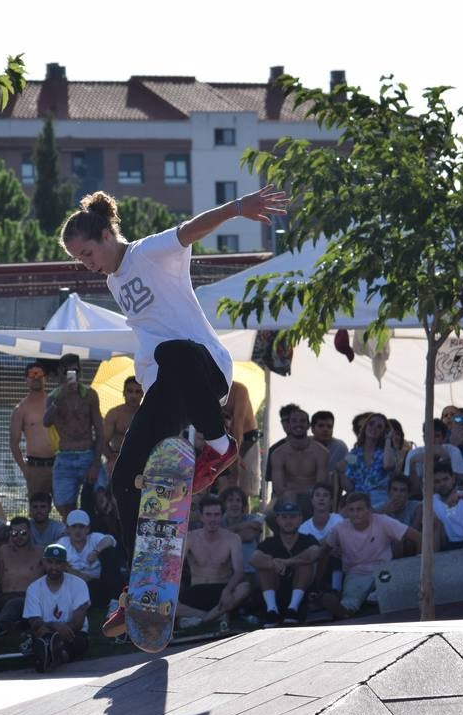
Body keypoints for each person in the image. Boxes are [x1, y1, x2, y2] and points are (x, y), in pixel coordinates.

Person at [61, 186, 288, 636]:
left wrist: (239, 209)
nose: (87, 264)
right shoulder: (114, 281)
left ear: (107, 235)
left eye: (88, 252)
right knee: (124, 477)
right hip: (165, 392)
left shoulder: (150, 253)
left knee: (175, 351)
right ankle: (139, 588)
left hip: (204, 373)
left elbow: (191, 229)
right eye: (79, 259)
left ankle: (222, 445)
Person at [320, 492, 418, 619]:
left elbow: (418, 537)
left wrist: (418, 564)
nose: (355, 514)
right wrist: (318, 584)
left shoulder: (383, 521)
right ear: (347, 512)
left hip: (384, 570)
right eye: (352, 510)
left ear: (369, 510)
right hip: (356, 573)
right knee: (349, 603)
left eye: (360, 509)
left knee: (390, 589)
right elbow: (323, 551)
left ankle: (376, 596)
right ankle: (346, 610)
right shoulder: (339, 529)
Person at [43, 352, 104, 517]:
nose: (72, 376)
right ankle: (74, 538)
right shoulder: (53, 397)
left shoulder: (89, 395)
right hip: (65, 457)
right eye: (68, 372)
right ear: (60, 373)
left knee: (101, 499)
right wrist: (61, 396)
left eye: (76, 371)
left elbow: (100, 430)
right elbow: (46, 422)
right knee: (64, 506)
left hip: (87, 454)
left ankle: (97, 534)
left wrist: (96, 463)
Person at [179, 494, 251, 629]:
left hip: (222, 589)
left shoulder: (232, 539)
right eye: (208, 514)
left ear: (222, 516)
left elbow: (239, 571)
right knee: (164, 600)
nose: (212, 519)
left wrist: (227, 590)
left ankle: (199, 621)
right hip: (196, 590)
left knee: (244, 587)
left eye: (216, 515)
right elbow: (175, 568)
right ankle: (213, 617)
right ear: (201, 516)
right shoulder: (190, 538)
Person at [250, 500, 320, 626]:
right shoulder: (269, 542)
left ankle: (292, 609)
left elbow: (314, 553)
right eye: (284, 517)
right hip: (275, 593)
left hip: (301, 598)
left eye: (293, 517)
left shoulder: (308, 539)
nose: (288, 521)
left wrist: (287, 562)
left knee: (304, 564)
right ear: (277, 520)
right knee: (264, 567)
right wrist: (272, 563)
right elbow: (254, 559)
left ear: (300, 519)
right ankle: (271, 611)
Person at [23, 544, 90, 673]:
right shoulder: (33, 588)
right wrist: (55, 626)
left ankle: (50, 656)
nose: (54, 567)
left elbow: (78, 623)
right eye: (50, 562)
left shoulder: (79, 584)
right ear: (43, 563)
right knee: (42, 637)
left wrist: (59, 632)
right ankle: (54, 655)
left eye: (59, 563)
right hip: (46, 633)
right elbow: (35, 623)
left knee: (78, 642)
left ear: (65, 565)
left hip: (73, 633)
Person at [10, 360, 56, 501]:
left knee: (66, 507)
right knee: (37, 510)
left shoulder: (55, 403)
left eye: (39, 374)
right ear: (26, 380)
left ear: (45, 378)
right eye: (32, 375)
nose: (36, 378)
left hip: (59, 464)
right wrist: (25, 469)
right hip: (36, 468)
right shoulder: (21, 410)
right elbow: (13, 443)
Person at [270, 405, 330, 510]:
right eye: (294, 421)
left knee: (318, 497)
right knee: (269, 514)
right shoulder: (278, 454)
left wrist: (296, 490)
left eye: (302, 421)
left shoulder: (321, 452)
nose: (298, 424)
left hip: (313, 497)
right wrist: (293, 492)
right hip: (286, 497)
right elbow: (278, 488)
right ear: (288, 425)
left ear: (308, 425)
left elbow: (321, 485)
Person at [0, 515, 45, 634]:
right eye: (15, 533)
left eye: (23, 533)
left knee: (13, 605)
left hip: (27, 597)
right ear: (10, 534)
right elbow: (2, 575)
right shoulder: (3, 550)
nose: (19, 537)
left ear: (30, 532)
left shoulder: (40, 552)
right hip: (4, 596)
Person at [339, 412, 398, 509]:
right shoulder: (354, 453)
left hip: (379, 500)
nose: (374, 428)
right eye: (371, 424)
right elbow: (349, 486)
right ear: (365, 426)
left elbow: (388, 465)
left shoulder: (387, 451)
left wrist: (388, 439)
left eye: (379, 427)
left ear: (384, 431)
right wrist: (341, 473)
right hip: (358, 500)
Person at [59, 509, 115, 607]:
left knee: (109, 552)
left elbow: (110, 540)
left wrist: (96, 551)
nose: (77, 531)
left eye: (81, 527)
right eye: (74, 527)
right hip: (74, 585)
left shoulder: (94, 537)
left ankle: (114, 599)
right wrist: (82, 577)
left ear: (88, 529)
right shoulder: (62, 543)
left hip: (98, 584)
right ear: (67, 529)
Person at [404, 419, 463, 494]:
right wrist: (412, 463)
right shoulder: (414, 454)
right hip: (422, 498)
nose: (432, 440)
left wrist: (447, 459)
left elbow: (462, 483)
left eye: (436, 436)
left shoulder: (453, 451)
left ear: (444, 438)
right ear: (424, 438)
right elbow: (413, 490)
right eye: (428, 436)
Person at [102, 376, 143, 477]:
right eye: (130, 391)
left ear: (142, 394)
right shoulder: (114, 414)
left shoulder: (147, 414)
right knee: (110, 467)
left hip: (141, 460)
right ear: (124, 393)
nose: (134, 395)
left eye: (138, 392)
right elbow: (103, 441)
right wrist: (111, 458)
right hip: (117, 457)